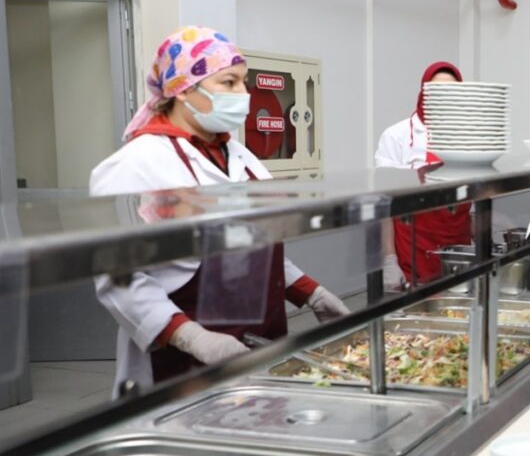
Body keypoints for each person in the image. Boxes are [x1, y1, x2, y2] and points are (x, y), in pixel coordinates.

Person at [90, 25, 348, 392]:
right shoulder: (135, 165)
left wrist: (309, 292)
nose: (244, 94)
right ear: (184, 89)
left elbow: (256, 245)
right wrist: (191, 337)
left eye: (244, 82)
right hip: (180, 359)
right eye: (229, 82)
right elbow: (120, 278)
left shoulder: (241, 157)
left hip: (261, 334)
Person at [375, 62, 473, 288]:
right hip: (413, 251)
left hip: (459, 251)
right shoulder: (396, 136)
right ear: (424, 92)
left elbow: (474, 202)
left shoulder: (468, 137)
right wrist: (389, 260)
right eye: (436, 91)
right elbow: (383, 206)